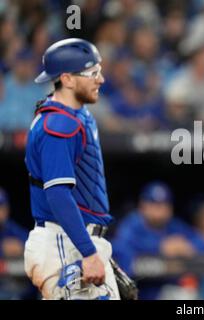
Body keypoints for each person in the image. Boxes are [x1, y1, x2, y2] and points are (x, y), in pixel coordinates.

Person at [24, 38, 120, 300]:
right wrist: (89, 252)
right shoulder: (58, 125)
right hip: (63, 242)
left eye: (99, 71)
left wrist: (95, 252)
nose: (100, 79)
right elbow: (58, 195)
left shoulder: (77, 115)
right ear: (66, 79)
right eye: (92, 73)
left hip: (75, 242)